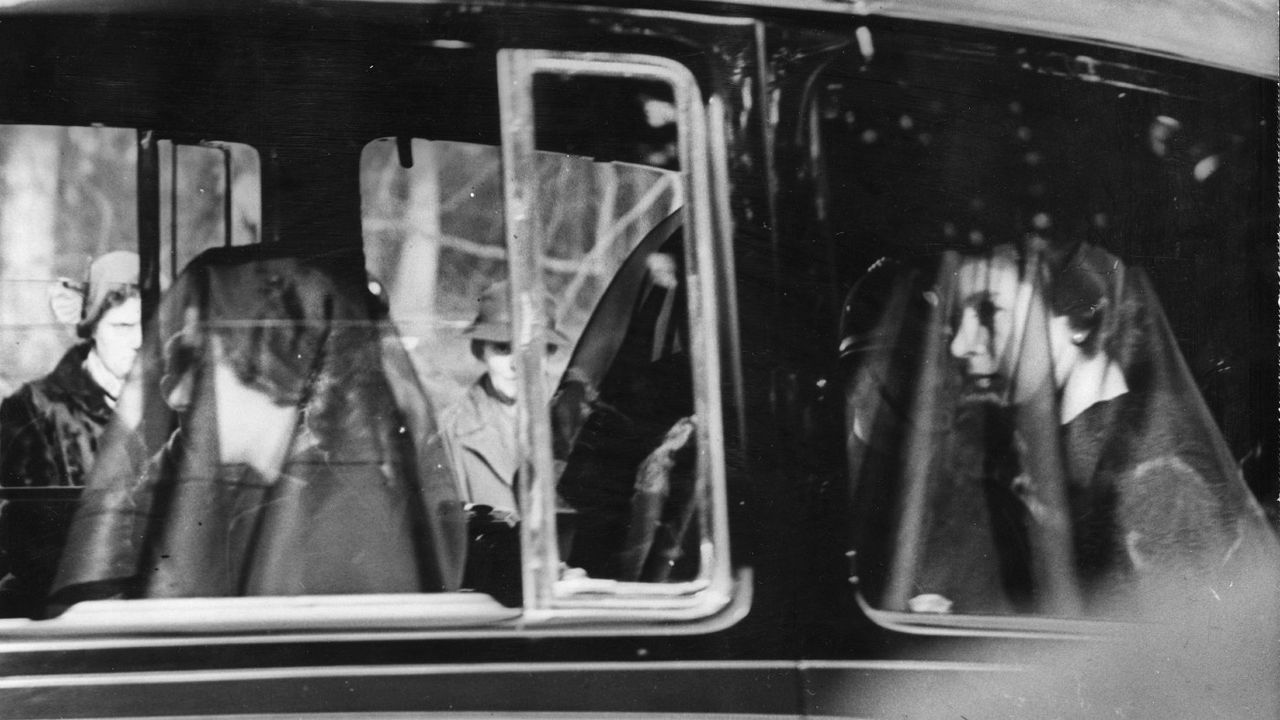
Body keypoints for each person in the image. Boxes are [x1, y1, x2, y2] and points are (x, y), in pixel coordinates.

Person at [844, 239, 1277, 617]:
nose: (959, 345)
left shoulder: (1160, 474)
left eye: (989, 311)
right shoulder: (1030, 445)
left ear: (1079, 317)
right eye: (957, 318)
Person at [49, 248, 466, 607]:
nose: (176, 397)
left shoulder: (354, 532)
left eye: (200, 365)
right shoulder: (206, 482)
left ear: (271, 371)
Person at [0, 250, 140, 617]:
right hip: (65, 617)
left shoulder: (174, 406)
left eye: (148, 326)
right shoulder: (32, 411)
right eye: (123, 327)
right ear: (91, 327)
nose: (139, 341)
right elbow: (31, 546)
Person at [440, 281, 569, 522]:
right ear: (481, 351)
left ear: (548, 352)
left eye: (529, 350)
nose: (516, 364)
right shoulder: (451, 430)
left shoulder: (577, 419)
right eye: (502, 348)